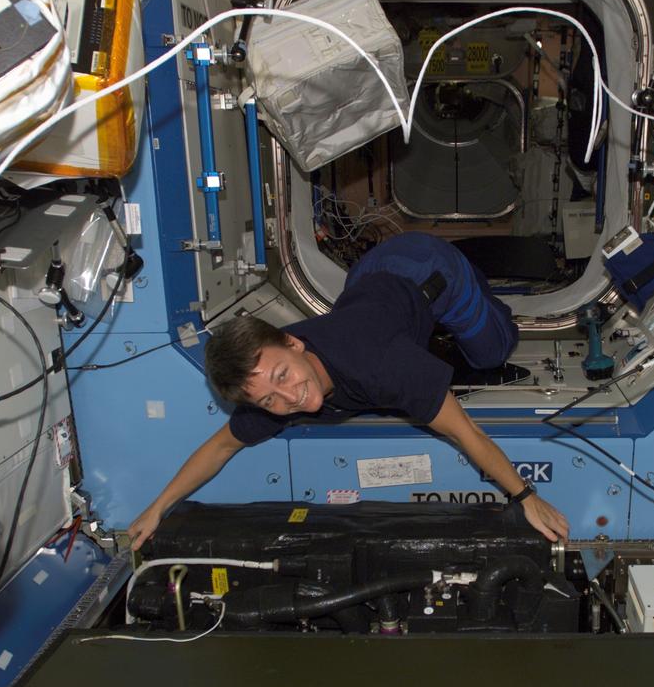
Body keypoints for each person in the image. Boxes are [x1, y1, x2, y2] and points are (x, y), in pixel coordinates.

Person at [127, 232, 570, 548]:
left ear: (293, 342)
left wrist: (527, 497)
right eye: (268, 401)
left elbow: (465, 432)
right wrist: (157, 507)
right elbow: (220, 447)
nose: (289, 400)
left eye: (283, 376)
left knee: (491, 351)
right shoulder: (267, 385)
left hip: (428, 269)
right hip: (370, 277)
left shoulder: (381, 365)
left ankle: (476, 276)